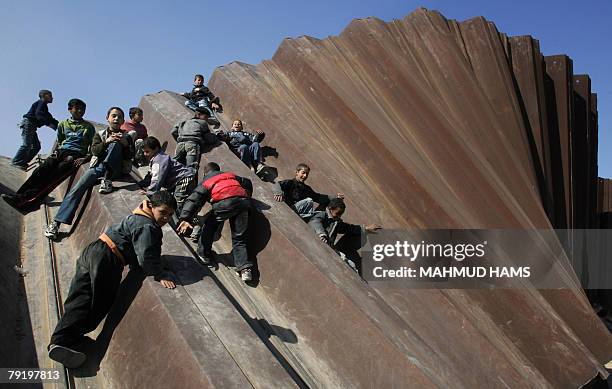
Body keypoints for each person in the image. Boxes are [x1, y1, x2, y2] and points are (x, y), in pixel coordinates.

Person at [47, 191, 177, 369]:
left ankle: (59, 341)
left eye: (170, 214)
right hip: (108, 259)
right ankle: (70, 339)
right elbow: (146, 257)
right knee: (100, 302)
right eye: (163, 212)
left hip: (94, 249)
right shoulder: (148, 226)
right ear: (152, 207)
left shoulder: (138, 215)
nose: (166, 218)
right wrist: (160, 273)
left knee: (79, 298)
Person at [44, 107, 134, 240]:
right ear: (107, 118)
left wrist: (125, 144)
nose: (116, 119)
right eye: (114, 116)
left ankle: (107, 179)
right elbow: (95, 151)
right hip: (98, 168)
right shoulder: (100, 134)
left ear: (122, 121)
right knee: (77, 188)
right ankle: (56, 223)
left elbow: (130, 157)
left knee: (116, 145)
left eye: (120, 117)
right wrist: (106, 142)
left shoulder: (127, 136)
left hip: (115, 169)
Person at [2, 98, 95, 213]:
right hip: (61, 152)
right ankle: (18, 196)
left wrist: (86, 157)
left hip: (75, 155)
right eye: (77, 108)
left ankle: (29, 203)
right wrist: (55, 153)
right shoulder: (63, 124)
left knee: (52, 178)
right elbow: (60, 141)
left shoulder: (88, 127)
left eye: (83, 109)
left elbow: (93, 145)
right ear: (70, 109)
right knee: (39, 171)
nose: (80, 111)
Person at [177, 162, 254, 282]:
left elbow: (194, 199)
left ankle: (203, 254)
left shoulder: (207, 181)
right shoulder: (230, 175)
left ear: (205, 173)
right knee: (239, 237)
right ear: (219, 170)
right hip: (243, 203)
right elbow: (247, 182)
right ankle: (244, 270)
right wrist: (247, 195)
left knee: (209, 226)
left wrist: (185, 218)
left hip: (224, 204)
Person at [308, 198, 381, 272]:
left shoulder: (336, 222)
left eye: (340, 215)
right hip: (323, 245)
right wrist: (321, 234)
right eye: (337, 213)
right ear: (330, 209)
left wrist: (366, 228)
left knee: (352, 263)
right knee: (350, 264)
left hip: (333, 248)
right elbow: (316, 222)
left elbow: (349, 228)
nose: (339, 216)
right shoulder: (323, 215)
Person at [141, 136, 196, 213]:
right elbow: (151, 175)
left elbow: (157, 179)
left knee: (178, 202)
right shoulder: (157, 158)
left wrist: (150, 193)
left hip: (183, 179)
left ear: (156, 149)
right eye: (144, 152)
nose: (145, 154)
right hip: (176, 181)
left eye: (147, 151)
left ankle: (182, 220)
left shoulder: (159, 160)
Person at [273, 163, 344, 220]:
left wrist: (335, 197)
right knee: (309, 201)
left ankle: (312, 218)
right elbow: (278, 184)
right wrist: (278, 193)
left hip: (299, 211)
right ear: (297, 172)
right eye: (303, 173)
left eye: (307, 174)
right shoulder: (290, 182)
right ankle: (308, 218)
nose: (305, 176)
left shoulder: (306, 189)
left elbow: (318, 197)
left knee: (323, 204)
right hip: (290, 208)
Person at [12, 90, 59, 170]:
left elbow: (48, 117)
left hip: (32, 126)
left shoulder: (44, 107)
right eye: (50, 95)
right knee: (26, 145)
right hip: (28, 124)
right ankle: (16, 161)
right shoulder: (41, 103)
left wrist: (59, 125)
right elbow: (39, 115)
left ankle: (23, 161)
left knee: (36, 146)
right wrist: (49, 124)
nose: (52, 98)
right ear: (45, 95)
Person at [171, 107, 216, 172]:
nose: (206, 119)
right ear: (198, 114)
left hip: (180, 144)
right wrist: (215, 138)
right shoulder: (202, 122)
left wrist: (179, 139)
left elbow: (173, 132)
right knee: (191, 167)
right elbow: (208, 138)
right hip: (192, 144)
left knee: (174, 164)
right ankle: (190, 181)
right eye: (206, 117)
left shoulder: (184, 122)